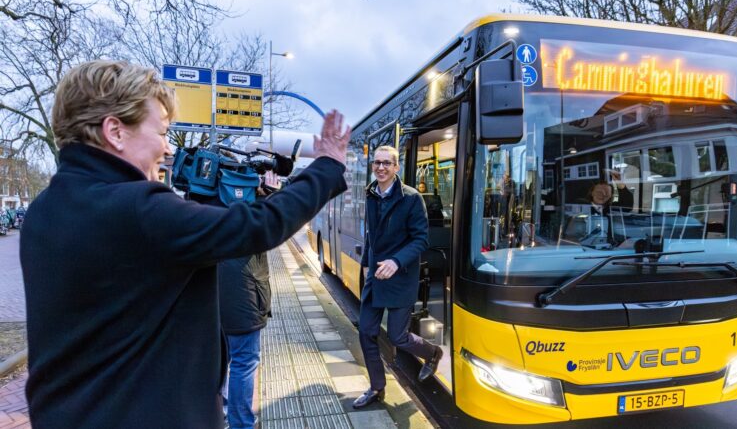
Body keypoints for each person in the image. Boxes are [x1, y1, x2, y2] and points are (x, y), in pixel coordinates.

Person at [19, 60, 350, 429]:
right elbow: (257, 226)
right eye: (161, 132)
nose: (165, 148)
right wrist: (326, 168)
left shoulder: (43, 212)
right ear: (115, 131)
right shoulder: (137, 210)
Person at [353, 146, 442, 409]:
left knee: (397, 337)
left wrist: (396, 261)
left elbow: (421, 239)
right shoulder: (370, 194)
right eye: (376, 163)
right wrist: (367, 266)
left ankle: (434, 353)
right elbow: (372, 235)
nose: (380, 168)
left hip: (401, 276)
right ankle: (377, 388)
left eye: (386, 164)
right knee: (366, 332)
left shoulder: (412, 198)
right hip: (376, 277)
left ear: (396, 167)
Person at [218, 185, 272, 429]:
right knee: (244, 361)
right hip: (243, 297)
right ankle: (241, 423)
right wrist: (265, 193)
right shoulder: (250, 205)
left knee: (220, 359)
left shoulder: (202, 199)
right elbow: (276, 225)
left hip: (210, 296)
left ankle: (226, 412)